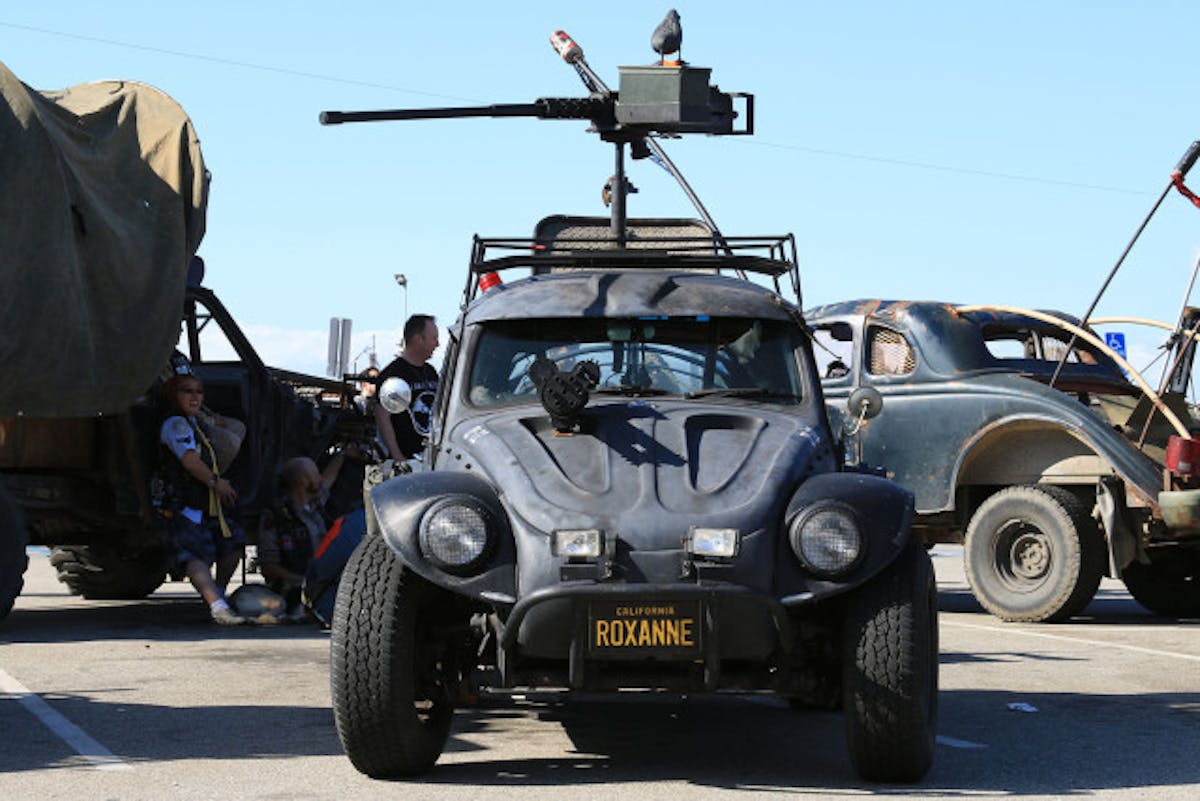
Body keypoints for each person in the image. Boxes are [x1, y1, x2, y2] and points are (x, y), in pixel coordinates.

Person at [157, 373, 247, 625]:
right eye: (187, 391)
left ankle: (216, 595)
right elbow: (189, 460)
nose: (194, 397)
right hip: (185, 504)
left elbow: (235, 428)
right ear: (174, 396)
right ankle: (218, 607)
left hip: (207, 502)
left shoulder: (195, 424)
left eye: (198, 392)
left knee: (233, 544)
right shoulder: (176, 425)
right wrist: (215, 483)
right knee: (193, 557)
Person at [256, 453, 349, 615]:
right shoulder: (275, 517)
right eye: (316, 475)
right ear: (303, 482)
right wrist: (303, 581)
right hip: (290, 590)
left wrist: (343, 454)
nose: (321, 479)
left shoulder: (316, 504)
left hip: (321, 583)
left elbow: (328, 479)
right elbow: (269, 567)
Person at [375, 314, 440, 461]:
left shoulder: (431, 372)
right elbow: (383, 417)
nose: (437, 344)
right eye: (434, 338)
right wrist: (398, 458)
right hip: (408, 459)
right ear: (418, 339)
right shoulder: (392, 375)